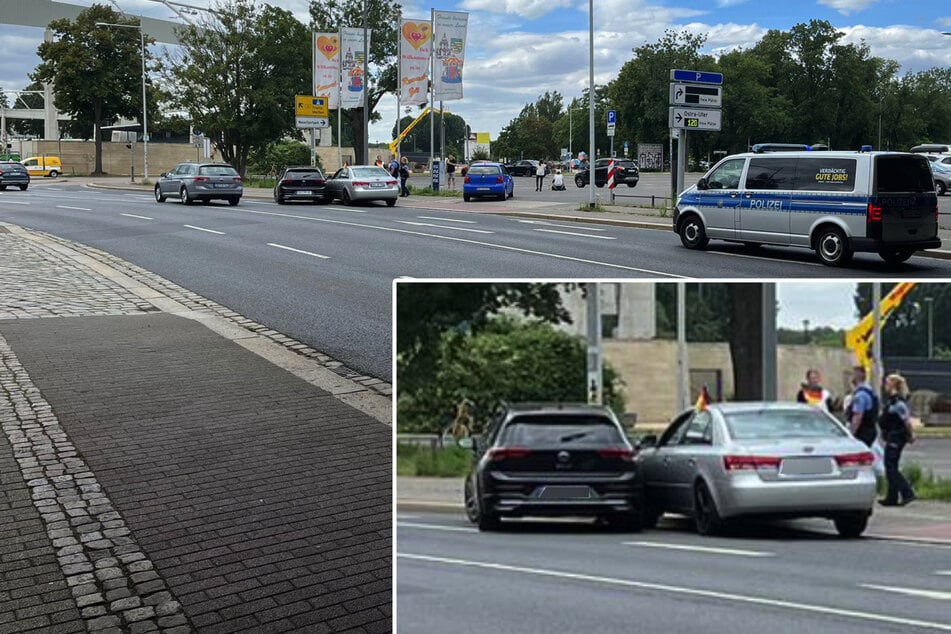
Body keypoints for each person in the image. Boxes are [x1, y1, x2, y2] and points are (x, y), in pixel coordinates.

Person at [877, 373, 917, 506]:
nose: (884, 386)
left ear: (892, 385)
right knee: (890, 466)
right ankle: (892, 497)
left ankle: (907, 492)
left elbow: (906, 421)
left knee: (891, 467)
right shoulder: (892, 400)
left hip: (897, 436)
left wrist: (911, 434)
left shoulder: (898, 402)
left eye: (886, 383)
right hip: (892, 435)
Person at [846, 366, 878, 447]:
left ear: (857, 375)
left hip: (862, 432)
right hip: (869, 430)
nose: (850, 377)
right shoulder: (870, 391)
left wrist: (851, 434)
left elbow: (857, 416)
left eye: (852, 374)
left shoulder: (860, 395)